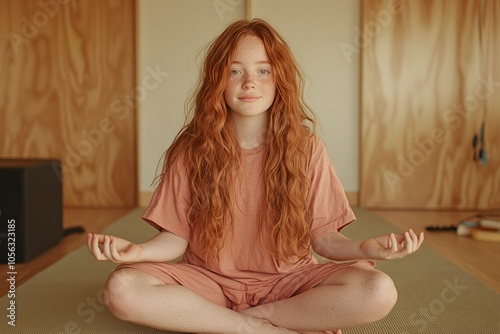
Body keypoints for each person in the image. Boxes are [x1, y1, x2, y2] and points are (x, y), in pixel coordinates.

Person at [87, 18, 424, 334]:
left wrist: (366, 248)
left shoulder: (307, 148)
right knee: (121, 289)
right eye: (235, 71)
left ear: (280, 80)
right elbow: (176, 239)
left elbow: (325, 241)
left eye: (263, 71)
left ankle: (260, 316)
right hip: (208, 282)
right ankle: (251, 327)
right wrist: (137, 252)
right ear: (217, 80)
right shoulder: (191, 150)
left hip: (290, 284)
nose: (250, 82)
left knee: (378, 291)